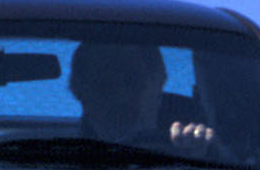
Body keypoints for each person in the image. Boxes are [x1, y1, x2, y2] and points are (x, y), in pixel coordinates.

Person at [67, 41, 217, 155]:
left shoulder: (211, 161)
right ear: (79, 93)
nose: (121, 97)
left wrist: (199, 158)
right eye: (103, 86)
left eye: (133, 81)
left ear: (159, 83)